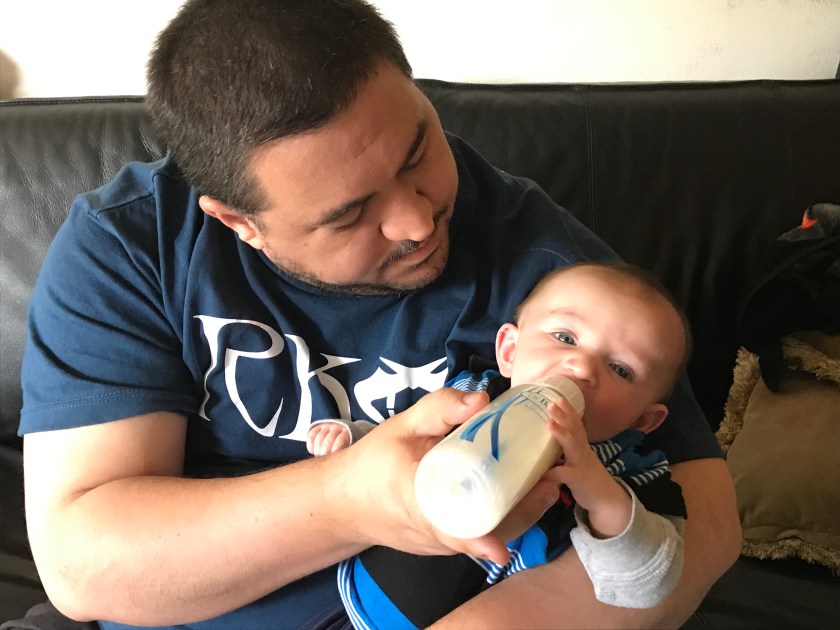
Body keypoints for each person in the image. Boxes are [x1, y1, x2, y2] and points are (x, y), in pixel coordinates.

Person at [16, 1, 740, 629]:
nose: (417, 222)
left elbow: (704, 525)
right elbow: (84, 564)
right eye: (349, 215)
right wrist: (350, 500)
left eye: (417, 153)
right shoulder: (134, 243)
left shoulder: (558, 283)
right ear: (240, 223)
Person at [308, 262, 691, 628]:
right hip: (358, 594)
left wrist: (601, 493)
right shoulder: (473, 397)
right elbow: (403, 446)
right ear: (509, 351)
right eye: (565, 338)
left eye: (620, 369)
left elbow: (650, 582)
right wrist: (355, 439)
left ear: (643, 420)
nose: (582, 367)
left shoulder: (633, 470)